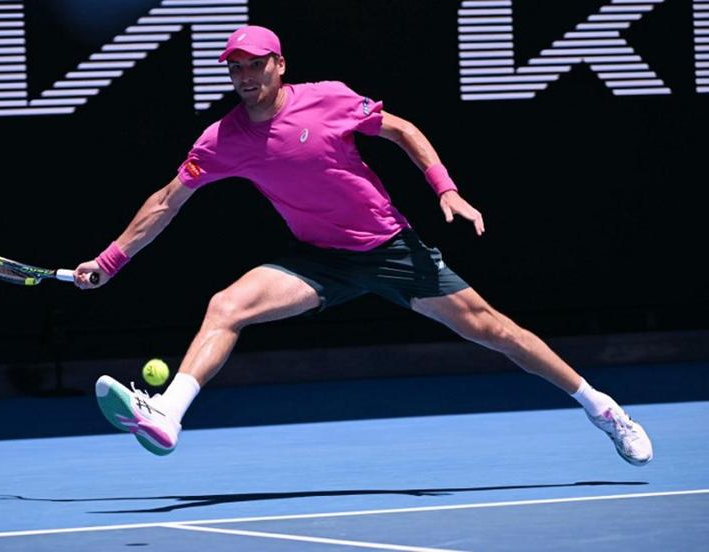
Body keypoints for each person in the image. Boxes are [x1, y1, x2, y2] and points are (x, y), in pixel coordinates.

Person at [76, 25, 652, 465]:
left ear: (279, 65)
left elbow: (402, 130)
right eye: (236, 68)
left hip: (390, 248)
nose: (245, 76)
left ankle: (603, 409)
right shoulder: (222, 138)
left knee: (496, 332)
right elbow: (166, 201)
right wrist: (110, 260)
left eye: (256, 65)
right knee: (227, 305)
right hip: (321, 260)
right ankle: (168, 414)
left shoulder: (327, 99)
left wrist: (446, 189)